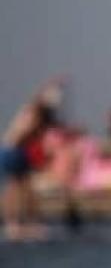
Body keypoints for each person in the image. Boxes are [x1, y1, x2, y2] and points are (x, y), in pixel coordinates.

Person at [2, 79, 64, 240]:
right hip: (13, 151)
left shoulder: (35, 113)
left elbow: (37, 98)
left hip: (18, 152)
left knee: (25, 187)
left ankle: (26, 223)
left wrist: (55, 84)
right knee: (16, 187)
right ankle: (14, 224)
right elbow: (36, 101)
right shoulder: (33, 115)